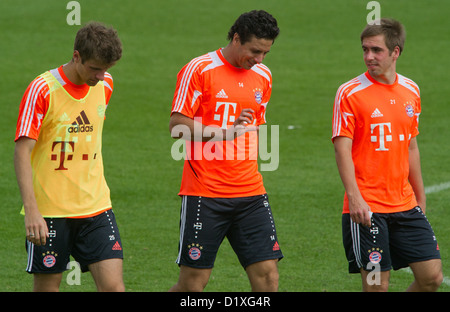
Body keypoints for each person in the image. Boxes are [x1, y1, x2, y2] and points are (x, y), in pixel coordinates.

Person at [169, 10, 283, 292]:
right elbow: (176, 126)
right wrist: (223, 133)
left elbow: (255, 127)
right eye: (255, 51)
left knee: (268, 277)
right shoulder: (199, 69)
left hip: (251, 193)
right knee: (193, 284)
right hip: (204, 194)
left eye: (265, 53)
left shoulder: (263, 76)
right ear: (236, 38)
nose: (259, 59)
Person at [332, 18, 443, 291]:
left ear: (396, 52)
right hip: (367, 207)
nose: (369, 57)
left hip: (405, 204)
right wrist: (355, 198)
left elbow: (411, 146)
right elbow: (341, 148)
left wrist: (420, 195)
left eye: (376, 50)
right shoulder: (350, 93)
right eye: (365, 49)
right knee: (376, 286)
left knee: (431, 278)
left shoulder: (411, 90)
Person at [14, 21, 124, 292]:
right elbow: (22, 151)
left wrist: (100, 74)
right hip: (50, 212)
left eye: (106, 69)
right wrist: (31, 211)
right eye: (95, 68)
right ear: (76, 56)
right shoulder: (42, 89)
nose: (100, 76)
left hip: (96, 206)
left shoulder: (105, 84)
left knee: (114, 288)